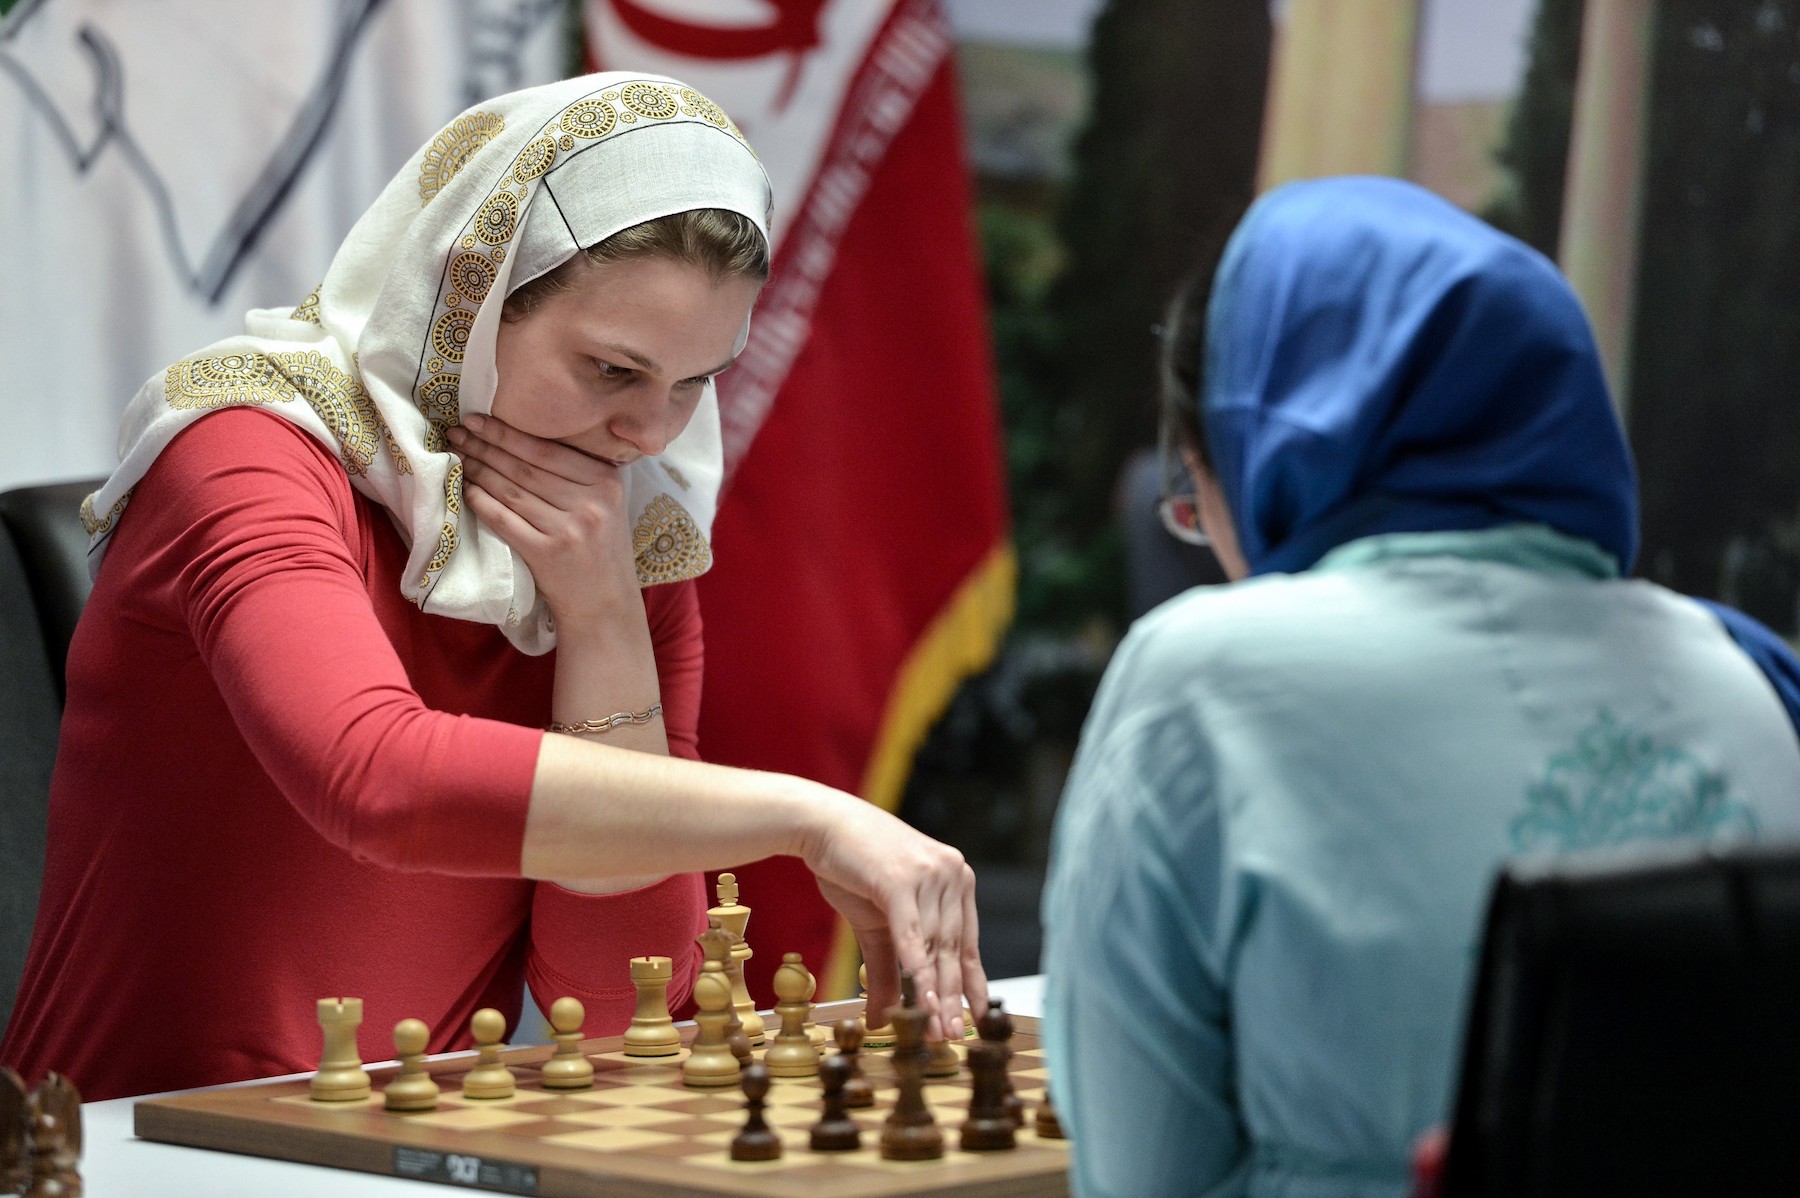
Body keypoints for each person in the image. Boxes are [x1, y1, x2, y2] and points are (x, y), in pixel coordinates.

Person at [0, 72, 983, 1102]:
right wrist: (808, 817)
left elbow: (620, 1000)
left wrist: (602, 621)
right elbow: (374, 780)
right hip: (134, 1138)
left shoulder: (621, 537)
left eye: (696, 382)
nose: (651, 434)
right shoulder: (244, 452)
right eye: (612, 371)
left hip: (410, 1146)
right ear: (465, 302)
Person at [1040, 176, 1800, 1198]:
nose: (1217, 546)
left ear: (1263, 450)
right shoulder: (1746, 674)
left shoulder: (1198, 685)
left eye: (1195, 498)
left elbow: (1141, 1174)